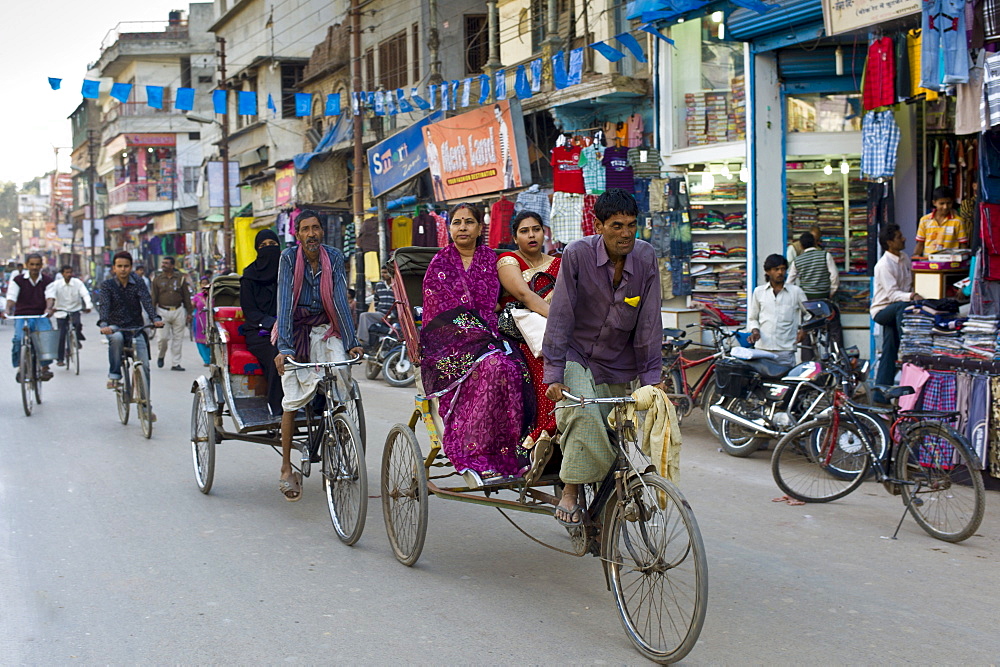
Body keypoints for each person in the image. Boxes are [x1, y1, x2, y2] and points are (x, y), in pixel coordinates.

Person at [542, 189, 662, 526]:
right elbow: (561, 313)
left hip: (618, 360)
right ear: (599, 225)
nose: (625, 234)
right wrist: (553, 371)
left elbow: (650, 320)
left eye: (632, 226)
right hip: (576, 355)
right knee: (584, 413)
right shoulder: (577, 254)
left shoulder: (646, 257)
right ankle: (570, 489)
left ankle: (608, 494)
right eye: (616, 226)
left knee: (617, 432)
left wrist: (653, 377)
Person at [420, 203, 535, 486]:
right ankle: (473, 453)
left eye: (468, 222)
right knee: (494, 365)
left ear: (479, 228)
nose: (462, 228)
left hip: (489, 335)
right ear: (450, 228)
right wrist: (471, 328)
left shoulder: (490, 259)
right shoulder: (440, 262)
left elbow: (498, 300)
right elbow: (437, 309)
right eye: (457, 222)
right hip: (449, 340)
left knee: (516, 367)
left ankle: (509, 453)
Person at [273, 211, 362, 501]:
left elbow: (338, 297)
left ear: (322, 232)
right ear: (297, 235)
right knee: (292, 397)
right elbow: (284, 302)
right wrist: (284, 348)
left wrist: (351, 341)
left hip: (326, 328)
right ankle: (287, 467)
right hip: (296, 331)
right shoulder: (288, 259)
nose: (311, 233)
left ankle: (339, 430)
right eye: (305, 229)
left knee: (340, 372)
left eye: (316, 228)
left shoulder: (334, 257)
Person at [497, 210, 561, 458]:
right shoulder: (508, 261)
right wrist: (560, 323)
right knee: (543, 362)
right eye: (524, 231)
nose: (531, 235)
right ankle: (543, 430)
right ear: (515, 237)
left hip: (556, 334)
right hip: (520, 336)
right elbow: (525, 296)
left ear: (544, 232)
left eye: (536, 229)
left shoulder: (559, 263)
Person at [98, 251, 163, 404]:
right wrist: (104, 324)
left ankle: (146, 406)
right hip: (115, 327)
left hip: (136, 328)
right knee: (116, 338)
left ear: (131, 267)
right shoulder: (107, 286)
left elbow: (147, 301)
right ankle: (114, 375)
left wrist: (155, 318)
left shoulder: (138, 282)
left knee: (144, 365)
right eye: (119, 266)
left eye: (126, 266)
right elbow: (104, 307)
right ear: (114, 268)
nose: (123, 269)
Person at [871, 224, 922, 399]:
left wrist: (912, 295)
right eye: (899, 237)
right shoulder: (883, 265)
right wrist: (912, 296)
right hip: (883, 311)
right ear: (890, 242)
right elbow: (893, 295)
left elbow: (908, 285)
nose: (904, 239)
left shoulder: (905, 258)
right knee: (903, 306)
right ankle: (907, 345)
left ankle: (880, 394)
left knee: (888, 351)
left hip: (897, 309)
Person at [240, 229, 284, 417]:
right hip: (260, 331)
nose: (268, 249)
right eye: (263, 246)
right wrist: (271, 323)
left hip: (289, 326)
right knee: (278, 353)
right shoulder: (249, 276)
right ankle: (277, 407)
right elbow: (249, 311)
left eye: (272, 245)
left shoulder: (288, 272)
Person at [787, 231, 842, 360]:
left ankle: (807, 361)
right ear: (815, 243)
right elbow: (834, 277)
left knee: (806, 329)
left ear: (800, 246)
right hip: (824, 300)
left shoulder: (797, 261)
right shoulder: (825, 255)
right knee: (834, 328)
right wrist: (829, 293)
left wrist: (798, 299)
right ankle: (838, 356)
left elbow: (789, 283)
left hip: (807, 303)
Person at [746, 254, 807, 366]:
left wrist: (804, 330)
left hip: (785, 349)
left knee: (785, 381)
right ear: (768, 271)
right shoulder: (759, 292)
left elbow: (809, 314)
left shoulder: (796, 292)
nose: (780, 272)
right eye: (776, 269)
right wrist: (755, 331)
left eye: (783, 269)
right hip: (762, 348)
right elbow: (753, 318)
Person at [4, 254, 55, 381]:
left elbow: (50, 297)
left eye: (37, 264)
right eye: (32, 264)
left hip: (40, 315)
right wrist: (8, 309)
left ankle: (45, 367)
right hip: (22, 315)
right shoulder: (18, 280)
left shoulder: (47, 280)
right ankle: (20, 366)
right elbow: (11, 297)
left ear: (41, 266)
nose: (35, 267)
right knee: (18, 339)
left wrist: (48, 308)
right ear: (27, 265)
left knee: (46, 336)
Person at [45, 265, 93, 367]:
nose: (69, 274)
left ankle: (77, 338)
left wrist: (88, 305)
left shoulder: (77, 283)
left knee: (77, 324)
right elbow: (51, 296)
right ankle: (60, 358)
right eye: (66, 272)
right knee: (61, 335)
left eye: (70, 272)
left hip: (75, 309)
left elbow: (85, 294)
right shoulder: (56, 284)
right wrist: (51, 308)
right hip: (61, 311)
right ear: (62, 274)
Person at [151, 256, 192, 371]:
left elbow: (186, 296)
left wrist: (189, 312)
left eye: (166, 263)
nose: (163, 265)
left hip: (178, 310)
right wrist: (152, 315)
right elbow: (153, 297)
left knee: (178, 338)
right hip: (162, 311)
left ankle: (176, 363)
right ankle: (161, 355)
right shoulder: (157, 279)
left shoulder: (180, 279)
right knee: (162, 338)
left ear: (172, 266)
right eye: (163, 263)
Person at [914, 185, 968, 256]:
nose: (945, 207)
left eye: (948, 203)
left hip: (950, 264)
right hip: (929, 263)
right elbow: (920, 243)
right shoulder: (924, 220)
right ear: (934, 203)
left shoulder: (958, 221)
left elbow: (963, 245)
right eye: (942, 203)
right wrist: (915, 258)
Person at [357, 264, 394, 349]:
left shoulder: (396, 286)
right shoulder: (379, 285)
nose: (383, 274)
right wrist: (378, 311)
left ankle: (365, 341)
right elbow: (376, 300)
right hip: (381, 314)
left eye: (385, 272)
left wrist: (391, 315)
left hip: (392, 315)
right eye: (382, 272)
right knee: (364, 316)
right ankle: (363, 341)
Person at [191, 276, 211, 366]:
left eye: (206, 283)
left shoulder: (213, 296)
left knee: (211, 339)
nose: (205, 285)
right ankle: (206, 360)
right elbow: (192, 306)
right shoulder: (197, 297)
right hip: (200, 320)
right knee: (200, 340)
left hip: (211, 320)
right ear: (200, 285)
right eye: (203, 283)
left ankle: (212, 358)